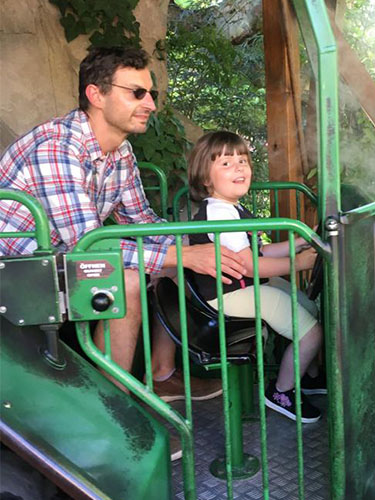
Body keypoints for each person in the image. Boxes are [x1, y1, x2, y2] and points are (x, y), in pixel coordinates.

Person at [0, 48, 247, 412]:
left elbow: (141, 222)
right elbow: (87, 246)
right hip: (17, 272)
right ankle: (113, 412)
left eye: (151, 94)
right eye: (137, 93)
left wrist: (195, 244)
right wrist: (181, 254)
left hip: (53, 260)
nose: (150, 103)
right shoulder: (57, 148)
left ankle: (162, 376)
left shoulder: (121, 153)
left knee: (171, 259)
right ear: (95, 95)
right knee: (130, 278)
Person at [187, 131, 326, 423]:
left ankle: (309, 377)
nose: (239, 167)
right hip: (228, 294)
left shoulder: (231, 208)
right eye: (226, 163)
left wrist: (298, 242)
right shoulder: (220, 214)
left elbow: (259, 250)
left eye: (243, 160)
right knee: (311, 333)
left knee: (309, 307)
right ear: (206, 179)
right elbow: (250, 266)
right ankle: (281, 392)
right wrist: (297, 263)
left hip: (243, 286)